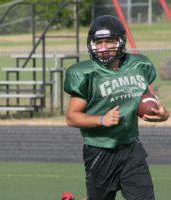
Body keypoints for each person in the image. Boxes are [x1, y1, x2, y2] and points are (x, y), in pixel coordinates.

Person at [64, 15, 169, 200]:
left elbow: (145, 100)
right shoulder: (85, 73)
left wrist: (163, 114)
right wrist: (102, 119)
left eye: (109, 42)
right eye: (98, 42)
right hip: (100, 151)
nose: (103, 48)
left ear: (120, 42)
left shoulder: (139, 65)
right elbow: (72, 117)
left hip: (131, 149)